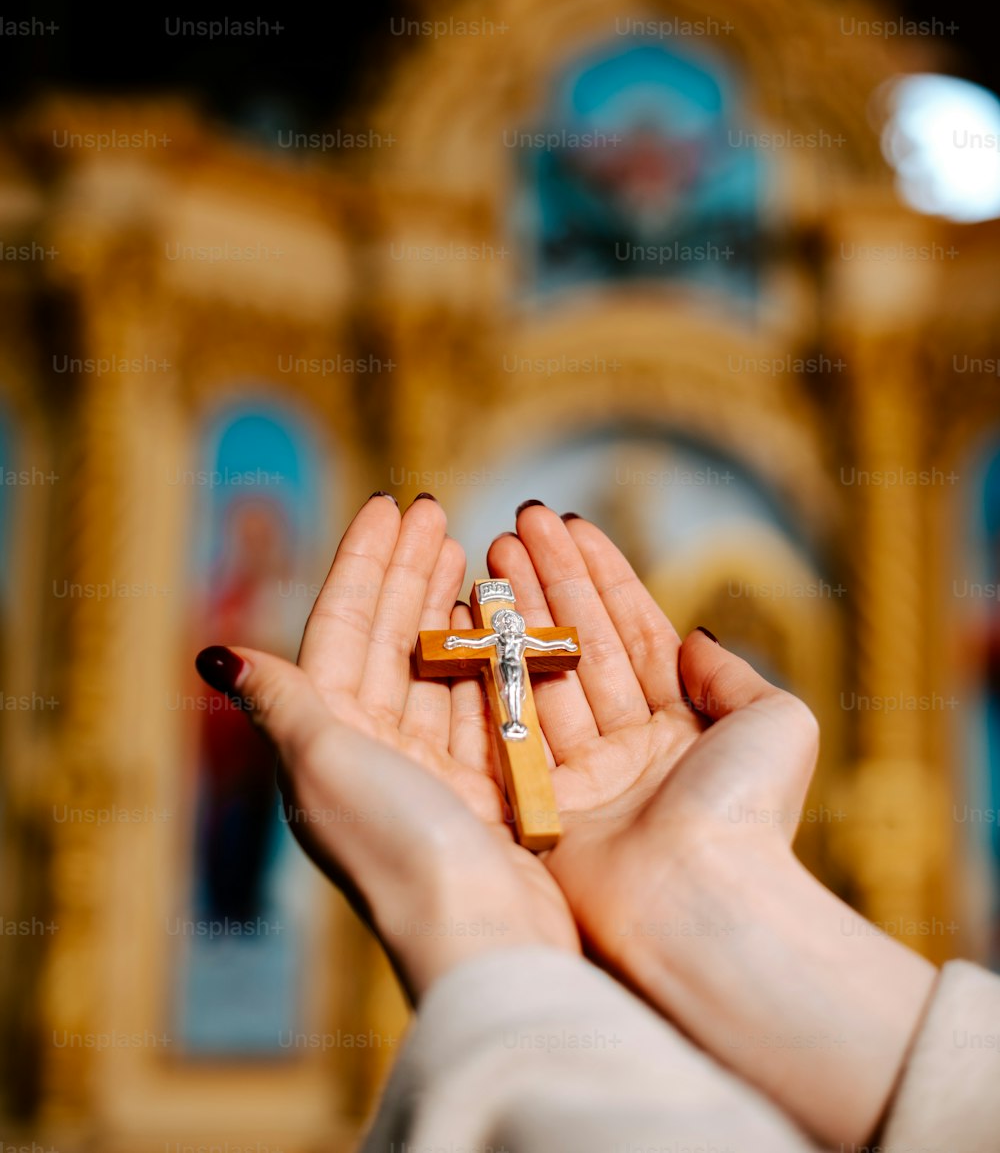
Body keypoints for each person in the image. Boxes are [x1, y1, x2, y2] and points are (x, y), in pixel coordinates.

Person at [195, 492, 1000, 1153]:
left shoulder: (528, 641)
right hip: (512, 721)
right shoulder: (485, 643)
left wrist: (487, 942)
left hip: (525, 715)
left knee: (513, 716)